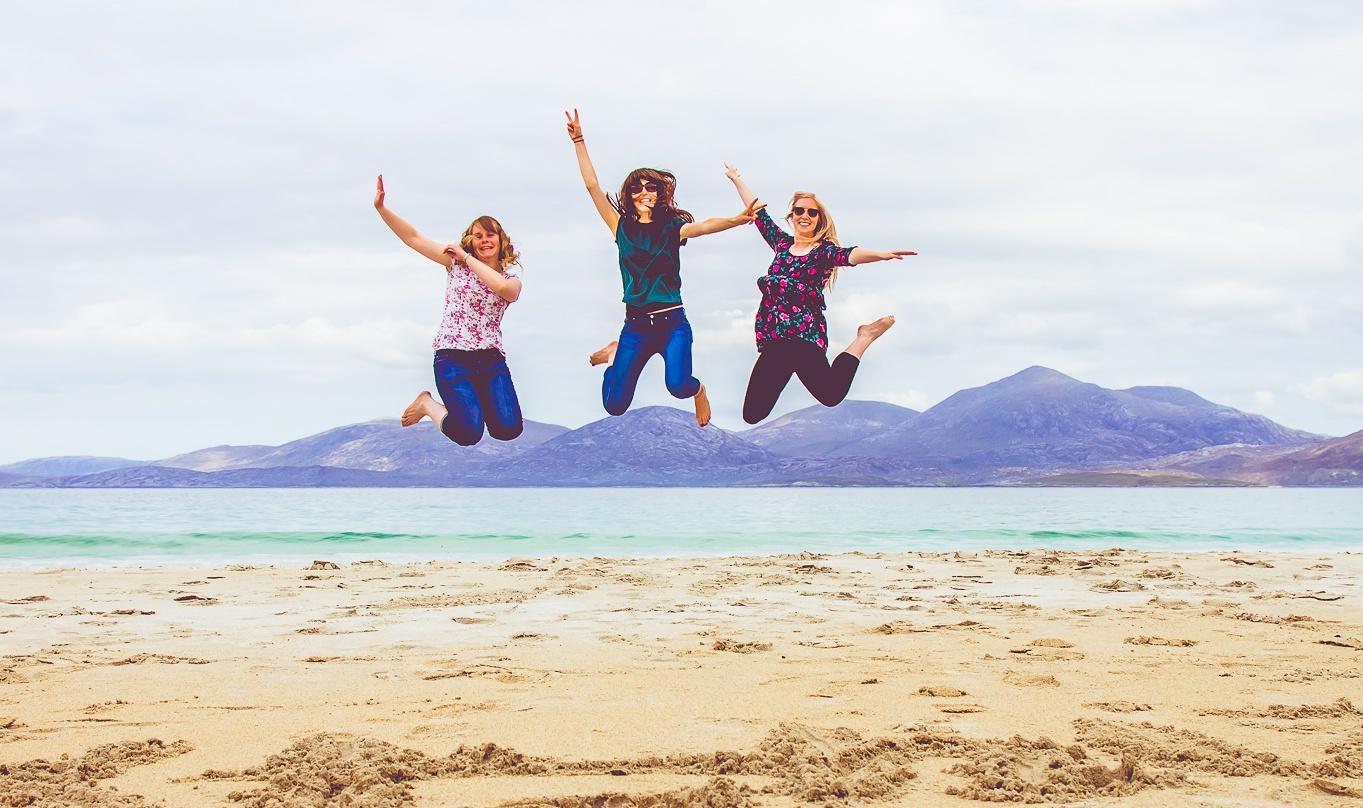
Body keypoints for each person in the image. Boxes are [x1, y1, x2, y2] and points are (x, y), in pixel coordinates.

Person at [565, 109, 762, 427]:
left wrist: (736, 220)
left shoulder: (672, 227)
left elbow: (705, 227)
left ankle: (699, 390)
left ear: (659, 194)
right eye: (637, 188)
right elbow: (591, 185)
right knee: (615, 406)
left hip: (673, 323)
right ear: (630, 196)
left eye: (650, 187)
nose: (644, 192)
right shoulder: (620, 227)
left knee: (678, 386)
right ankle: (615, 358)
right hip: (636, 326)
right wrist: (578, 140)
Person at [722, 163, 916, 425]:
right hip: (775, 340)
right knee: (752, 414)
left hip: (805, 339)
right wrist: (736, 179)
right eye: (799, 210)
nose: (805, 216)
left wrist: (881, 255)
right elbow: (757, 212)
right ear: (792, 216)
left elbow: (849, 255)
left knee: (831, 394)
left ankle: (864, 336)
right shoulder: (781, 244)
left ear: (818, 219)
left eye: (811, 213)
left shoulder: (823, 252)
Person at [372, 174, 525, 445]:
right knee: (469, 433)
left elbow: (503, 290)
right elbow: (413, 238)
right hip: (452, 358)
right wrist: (383, 209)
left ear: (501, 241)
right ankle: (427, 405)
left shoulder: (510, 278)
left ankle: (476, 401)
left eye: (490, 235)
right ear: (471, 240)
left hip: (490, 360)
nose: (484, 240)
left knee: (508, 429)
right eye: (478, 236)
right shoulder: (454, 264)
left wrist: (466, 257)